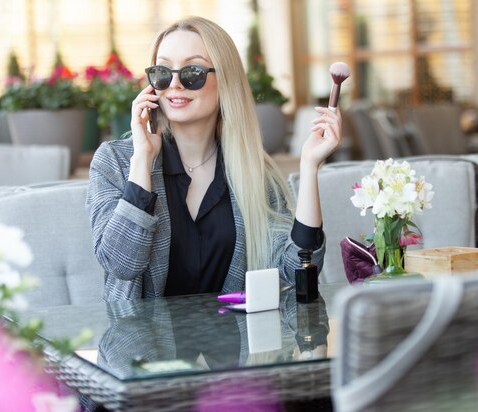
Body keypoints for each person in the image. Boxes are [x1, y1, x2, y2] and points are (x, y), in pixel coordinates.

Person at [87, 16, 342, 301]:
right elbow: (120, 265)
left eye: (192, 72)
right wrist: (142, 160)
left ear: (226, 82)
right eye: (162, 71)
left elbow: (298, 273)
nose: (174, 84)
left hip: (231, 343)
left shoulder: (252, 171)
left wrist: (309, 166)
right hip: (144, 344)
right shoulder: (115, 163)